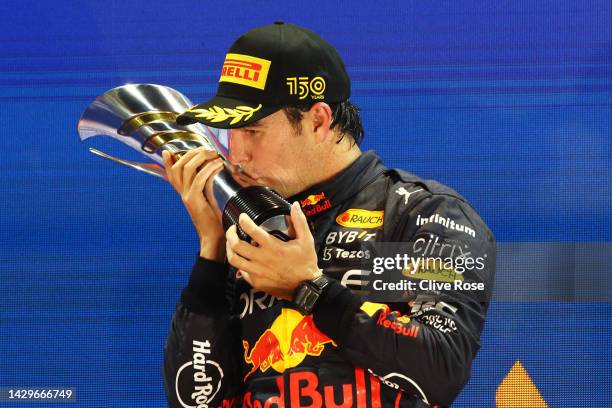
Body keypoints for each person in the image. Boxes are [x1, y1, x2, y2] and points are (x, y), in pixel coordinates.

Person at [162, 22, 495, 408]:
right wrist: (212, 252)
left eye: (252, 131)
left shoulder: (416, 216)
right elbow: (195, 401)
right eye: (231, 134)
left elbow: (441, 367)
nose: (237, 156)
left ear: (318, 121)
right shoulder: (251, 230)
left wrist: (309, 289)